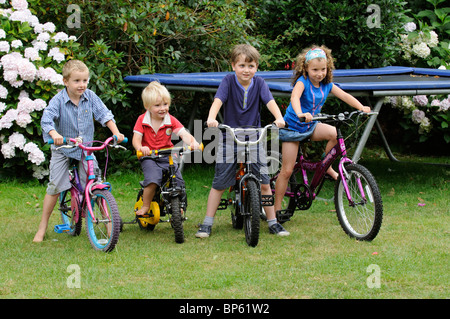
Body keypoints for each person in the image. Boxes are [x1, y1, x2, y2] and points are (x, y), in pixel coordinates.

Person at [195, 44, 290, 238]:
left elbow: (270, 101)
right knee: (220, 182)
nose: (246, 70)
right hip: (230, 137)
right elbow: (218, 101)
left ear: (256, 67)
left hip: (255, 136)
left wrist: (279, 118)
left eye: (251, 66)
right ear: (233, 66)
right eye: (242, 65)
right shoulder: (228, 82)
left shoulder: (260, 83)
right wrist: (212, 118)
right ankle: (207, 223)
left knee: (264, 182)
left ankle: (273, 222)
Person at [33, 60, 125, 242]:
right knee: (55, 186)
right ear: (65, 81)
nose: (81, 85)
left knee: (95, 182)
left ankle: (109, 224)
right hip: (63, 148)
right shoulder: (58, 100)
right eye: (76, 81)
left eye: (84, 80)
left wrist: (116, 132)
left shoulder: (90, 97)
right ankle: (42, 227)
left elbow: (104, 114)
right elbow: (46, 120)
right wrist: (54, 133)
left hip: (85, 149)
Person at [274, 45, 371, 214]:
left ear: (328, 68)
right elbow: (295, 97)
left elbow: (345, 96)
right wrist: (300, 113)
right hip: (293, 128)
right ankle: (275, 210)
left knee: (334, 134)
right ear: (305, 68)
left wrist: (361, 107)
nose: (319, 74)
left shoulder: (327, 85)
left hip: (311, 126)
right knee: (287, 170)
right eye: (315, 70)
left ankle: (326, 166)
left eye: (323, 69)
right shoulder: (302, 82)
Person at [132, 81, 200, 217]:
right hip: (149, 156)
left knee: (177, 180)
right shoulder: (142, 120)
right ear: (147, 106)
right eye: (157, 105)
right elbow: (136, 139)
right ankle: (146, 205)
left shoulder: (170, 120)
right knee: (153, 179)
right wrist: (141, 148)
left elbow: (183, 133)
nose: (162, 108)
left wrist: (193, 142)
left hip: (167, 155)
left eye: (165, 104)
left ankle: (178, 206)